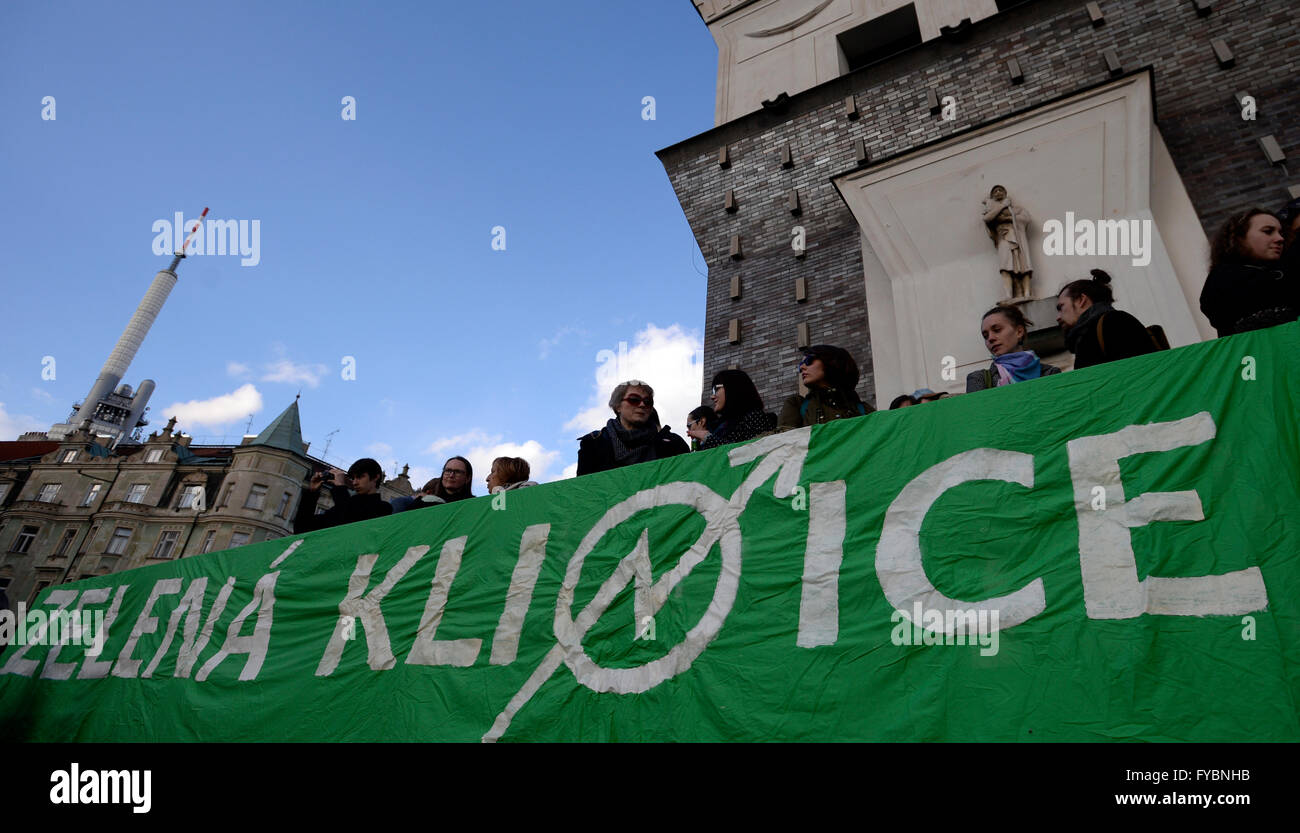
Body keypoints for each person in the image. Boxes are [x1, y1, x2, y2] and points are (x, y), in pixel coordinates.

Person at [1199, 208, 1298, 336]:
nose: (1280, 238)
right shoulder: (1223, 279)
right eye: (1268, 231)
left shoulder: (1284, 267)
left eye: (1281, 233)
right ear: (1239, 238)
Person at [577, 380, 690, 475]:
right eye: (634, 400)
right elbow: (584, 490)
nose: (642, 405)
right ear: (617, 406)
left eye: (648, 402)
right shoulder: (593, 443)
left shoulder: (673, 444)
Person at [1056, 269, 1158, 369]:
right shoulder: (1088, 335)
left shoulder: (1115, 322)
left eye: (1061, 307)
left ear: (1081, 300)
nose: (1058, 317)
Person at [966, 305, 1061, 392]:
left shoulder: (1050, 373)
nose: (990, 338)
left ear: (1019, 332)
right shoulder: (979, 379)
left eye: (997, 330)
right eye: (985, 336)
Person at [778, 345, 873, 430]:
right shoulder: (796, 405)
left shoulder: (865, 410)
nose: (802, 367)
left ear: (831, 362)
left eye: (809, 361)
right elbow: (783, 444)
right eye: (800, 365)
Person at [293, 457, 392, 534]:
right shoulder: (339, 508)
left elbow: (350, 522)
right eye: (353, 478)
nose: (355, 482)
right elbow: (301, 528)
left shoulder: (383, 508)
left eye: (360, 477)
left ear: (376, 477)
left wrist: (340, 487)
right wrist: (312, 493)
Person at [699, 369, 777, 450]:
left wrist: (708, 439)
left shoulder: (755, 417)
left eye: (715, 389)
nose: (712, 396)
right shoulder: (719, 426)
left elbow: (749, 452)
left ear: (733, 387)